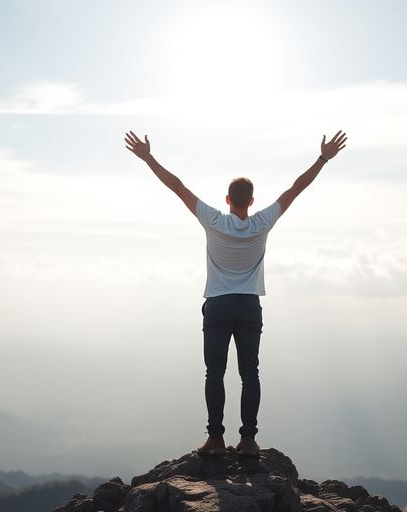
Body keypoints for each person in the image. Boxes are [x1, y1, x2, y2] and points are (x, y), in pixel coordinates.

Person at [123, 129, 348, 456]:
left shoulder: (213, 220)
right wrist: (323, 158)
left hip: (217, 305)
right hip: (249, 306)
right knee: (249, 374)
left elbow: (178, 187)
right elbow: (296, 188)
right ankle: (248, 441)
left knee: (214, 372)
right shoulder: (263, 222)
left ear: (228, 200)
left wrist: (148, 158)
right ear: (252, 201)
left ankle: (215, 439)